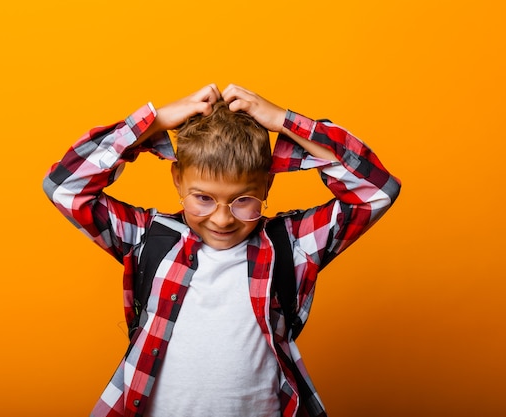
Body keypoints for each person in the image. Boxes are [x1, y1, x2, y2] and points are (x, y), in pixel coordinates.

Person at [43, 84, 401, 417]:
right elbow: (65, 188)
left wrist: (284, 121)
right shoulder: (147, 237)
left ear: (268, 184)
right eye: (202, 198)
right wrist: (155, 121)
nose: (222, 218)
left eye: (243, 200)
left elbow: (376, 190)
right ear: (177, 179)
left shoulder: (291, 246)